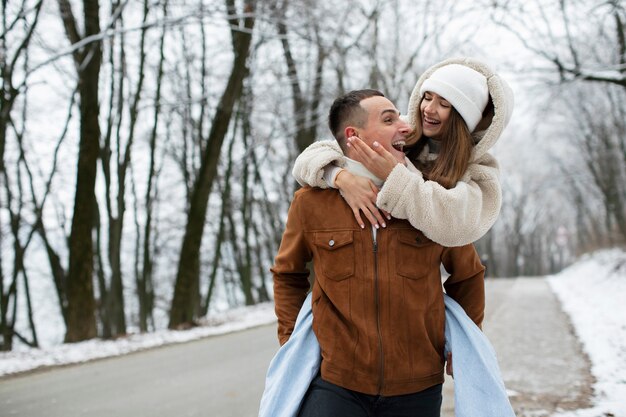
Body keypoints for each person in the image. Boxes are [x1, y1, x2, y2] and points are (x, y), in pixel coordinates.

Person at [271, 89, 486, 417]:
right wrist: (290, 342)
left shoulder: (430, 199)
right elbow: (288, 274)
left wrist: (466, 346)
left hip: (418, 384)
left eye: (400, 116)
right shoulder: (311, 202)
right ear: (353, 136)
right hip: (335, 381)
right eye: (389, 119)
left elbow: (468, 275)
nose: (406, 126)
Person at [292, 57, 514, 247]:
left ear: (463, 117)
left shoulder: (479, 169)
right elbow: (314, 156)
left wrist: (395, 176)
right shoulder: (405, 133)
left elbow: (459, 224)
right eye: (427, 97)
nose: (428, 109)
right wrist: (342, 178)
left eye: (444, 104)